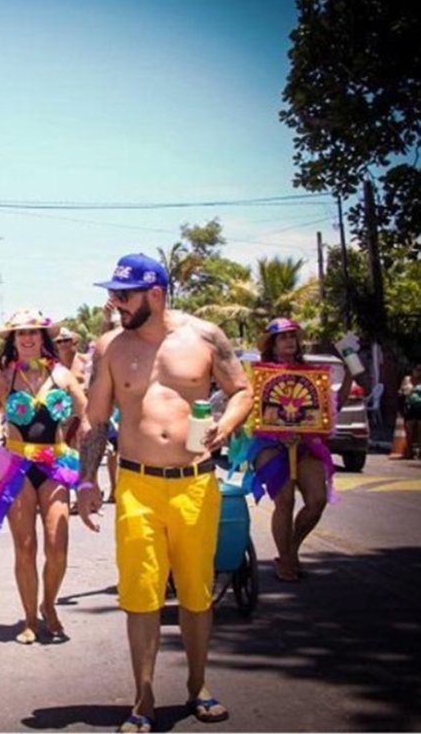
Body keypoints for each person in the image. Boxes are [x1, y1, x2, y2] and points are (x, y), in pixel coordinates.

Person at [77, 253, 253, 733]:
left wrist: (225, 425)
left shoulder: (205, 337)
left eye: (124, 295)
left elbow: (241, 390)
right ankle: (144, 697)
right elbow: (96, 417)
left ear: (155, 293)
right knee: (140, 595)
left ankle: (198, 685)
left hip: (194, 484)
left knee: (196, 592)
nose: (115, 303)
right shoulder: (110, 347)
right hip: (136, 485)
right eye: (113, 294)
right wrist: (87, 480)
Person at [0, 308, 87, 645]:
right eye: (21, 333)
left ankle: (49, 604)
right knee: (25, 547)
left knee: (58, 546)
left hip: (55, 465)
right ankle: (30, 618)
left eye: (33, 332)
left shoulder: (62, 376)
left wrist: (82, 446)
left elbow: (87, 417)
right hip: (17, 466)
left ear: (43, 338)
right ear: (13, 340)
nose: (27, 338)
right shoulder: (2, 380)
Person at [239, 318, 353, 582]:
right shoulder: (257, 374)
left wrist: (349, 375)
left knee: (317, 501)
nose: (289, 340)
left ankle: (291, 550)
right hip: (270, 445)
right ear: (272, 345)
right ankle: (286, 560)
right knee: (285, 500)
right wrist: (278, 433)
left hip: (307, 443)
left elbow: (332, 408)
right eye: (283, 337)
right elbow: (250, 412)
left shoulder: (313, 374)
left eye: (292, 336)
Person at [398, 362, 421, 459]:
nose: (418, 373)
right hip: (410, 408)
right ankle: (409, 452)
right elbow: (403, 391)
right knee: (409, 431)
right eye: (417, 370)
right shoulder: (407, 380)